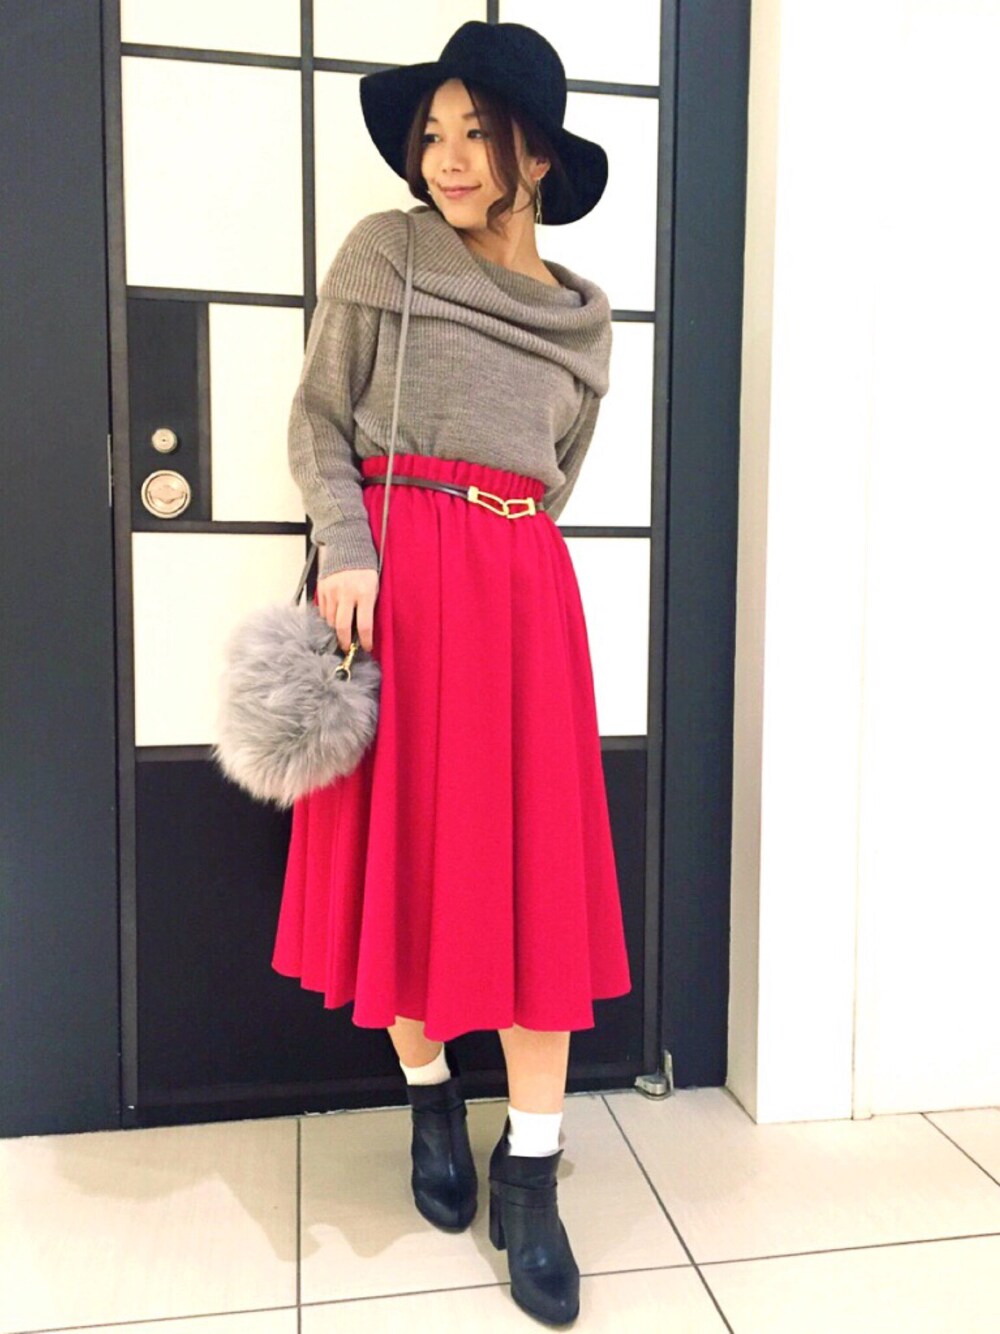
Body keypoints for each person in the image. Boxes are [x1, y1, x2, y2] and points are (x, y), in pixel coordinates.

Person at [270, 21, 631, 1327]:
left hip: (522, 604)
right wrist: (349, 547)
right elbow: (319, 419)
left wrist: (494, 541)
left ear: (538, 151)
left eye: (479, 131)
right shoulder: (389, 253)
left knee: (533, 883)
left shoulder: (586, 319)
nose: (450, 157)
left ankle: (530, 1171)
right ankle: (430, 1095)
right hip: (398, 596)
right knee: (408, 866)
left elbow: (555, 475)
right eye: (432, 133)